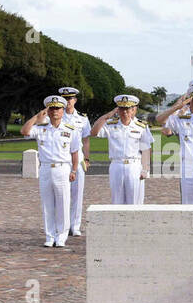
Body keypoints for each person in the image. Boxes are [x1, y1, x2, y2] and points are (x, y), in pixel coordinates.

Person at [20, 95, 80, 247]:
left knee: (63, 203)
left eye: (58, 108)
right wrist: (36, 117)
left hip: (62, 168)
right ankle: (49, 236)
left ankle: (61, 235)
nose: (55, 111)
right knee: (47, 204)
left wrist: (74, 170)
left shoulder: (70, 130)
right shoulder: (41, 128)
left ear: (62, 110)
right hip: (46, 168)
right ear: (48, 110)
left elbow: (74, 152)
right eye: (52, 108)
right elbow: (24, 131)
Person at [92, 94, 152, 205]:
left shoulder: (141, 126)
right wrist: (108, 116)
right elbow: (94, 132)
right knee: (117, 201)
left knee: (135, 201)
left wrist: (145, 169)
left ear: (133, 109)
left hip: (134, 165)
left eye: (127, 108)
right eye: (121, 108)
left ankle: (134, 222)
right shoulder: (110, 125)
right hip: (116, 165)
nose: (124, 111)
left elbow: (146, 149)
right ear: (117, 109)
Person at [59, 86, 92, 237]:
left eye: (70, 98)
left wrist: (86, 158)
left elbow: (86, 140)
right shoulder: (56, 116)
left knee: (77, 194)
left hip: (77, 158)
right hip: (62, 157)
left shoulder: (82, 119)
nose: (67, 101)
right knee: (62, 193)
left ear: (75, 100)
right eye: (65, 99)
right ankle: (63, 224)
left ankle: (75, 225)